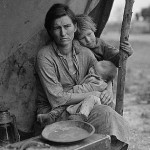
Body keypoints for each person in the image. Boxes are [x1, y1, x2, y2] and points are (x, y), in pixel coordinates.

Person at [36, 3, 129, 150]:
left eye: (67, 26)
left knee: (107, 111)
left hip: (82, 109)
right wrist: (94, 93)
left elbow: (102, 73)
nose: (63, 33)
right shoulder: (45, 56)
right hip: (54, 113)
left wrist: (108, 90)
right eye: (56, 28)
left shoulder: (85, 52)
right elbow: (57, 99)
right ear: (50, 31)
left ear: (74, 27)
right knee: (105, 113)